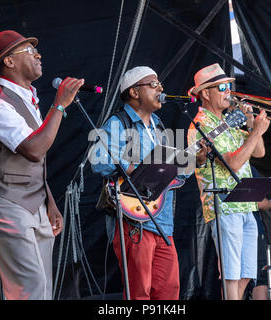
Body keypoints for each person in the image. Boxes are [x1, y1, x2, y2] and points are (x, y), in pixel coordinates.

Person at [0, 30, 84, 299]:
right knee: (30, 289)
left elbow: (33, 162)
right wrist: (59, 105)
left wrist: (49, 201)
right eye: (28, 50)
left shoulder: (28, 100)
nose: (38, 54)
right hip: (5, 203)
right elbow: (34, 150)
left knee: (43, 289)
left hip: (34, 203)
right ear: (9, 62)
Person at [90, 66, 206, 300]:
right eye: (153, 85)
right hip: (134, 221)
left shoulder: (159, 126)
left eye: (160, 84)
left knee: (169, 292)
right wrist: (141, 169)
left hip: (162, 223)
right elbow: (99, 161)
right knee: (139, 293)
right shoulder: (119, 122)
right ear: (134, 92)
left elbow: (175, 176)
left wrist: (196, 160)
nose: (161, 88)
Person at [187, 63, 270, 300]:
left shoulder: (229, 122)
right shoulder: (203, 125)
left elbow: (259, 152)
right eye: (222, 87)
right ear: (205, 93)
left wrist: (251, 122)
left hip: (245, 204)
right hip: (224, 205)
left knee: (246, 273)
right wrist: (255, 133)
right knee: (232, 275)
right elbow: (233, 163)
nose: (228, 92)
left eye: (228, 87)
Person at [245, 166, 271, 300]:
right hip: (252, 231)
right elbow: (258, 201)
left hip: (232, 229)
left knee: (235, 278)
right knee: (261, 278)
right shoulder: (247, 168)